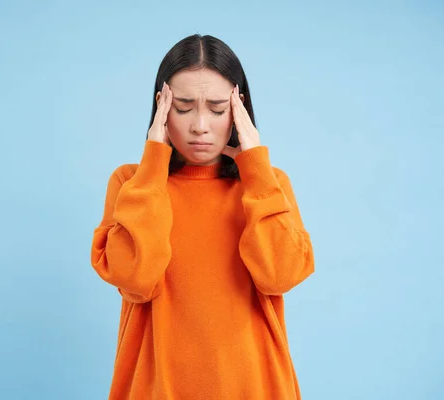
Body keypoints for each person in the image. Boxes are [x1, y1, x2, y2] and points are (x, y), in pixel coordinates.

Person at [90, 33, 315, 399]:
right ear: (160, 107)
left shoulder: (267, 184)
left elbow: (280, 276)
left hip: (256, 388)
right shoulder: (132, 183)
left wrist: (255, 167)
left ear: (238, 108)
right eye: (181, 107)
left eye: (216, 108)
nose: (199, 125)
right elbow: (136, 278)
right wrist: (152, 164)